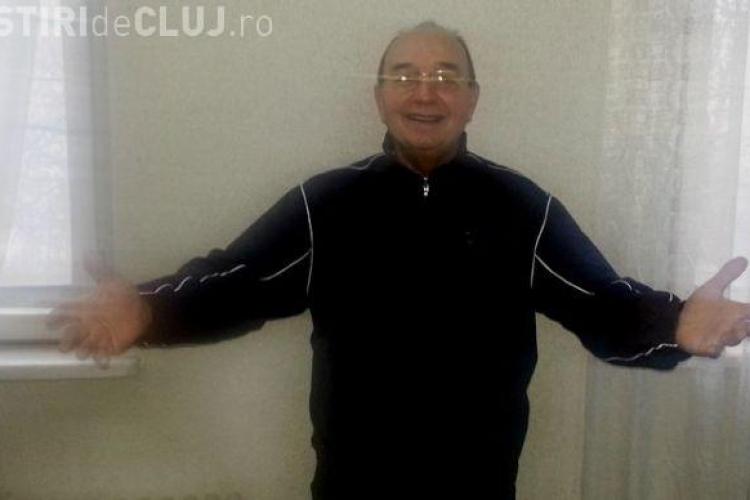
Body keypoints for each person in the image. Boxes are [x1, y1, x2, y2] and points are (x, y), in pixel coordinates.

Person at [47, 21, 750, 500]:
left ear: (472, 99)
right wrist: (147, 310)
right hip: (351, 483)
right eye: (404, 75)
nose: (425, 91)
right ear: (379, 95)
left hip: (480, 484)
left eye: (446, 75)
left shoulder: (522, 207)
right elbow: (236, 284)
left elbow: (602, 303)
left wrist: (674, 325)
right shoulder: (324, 203)